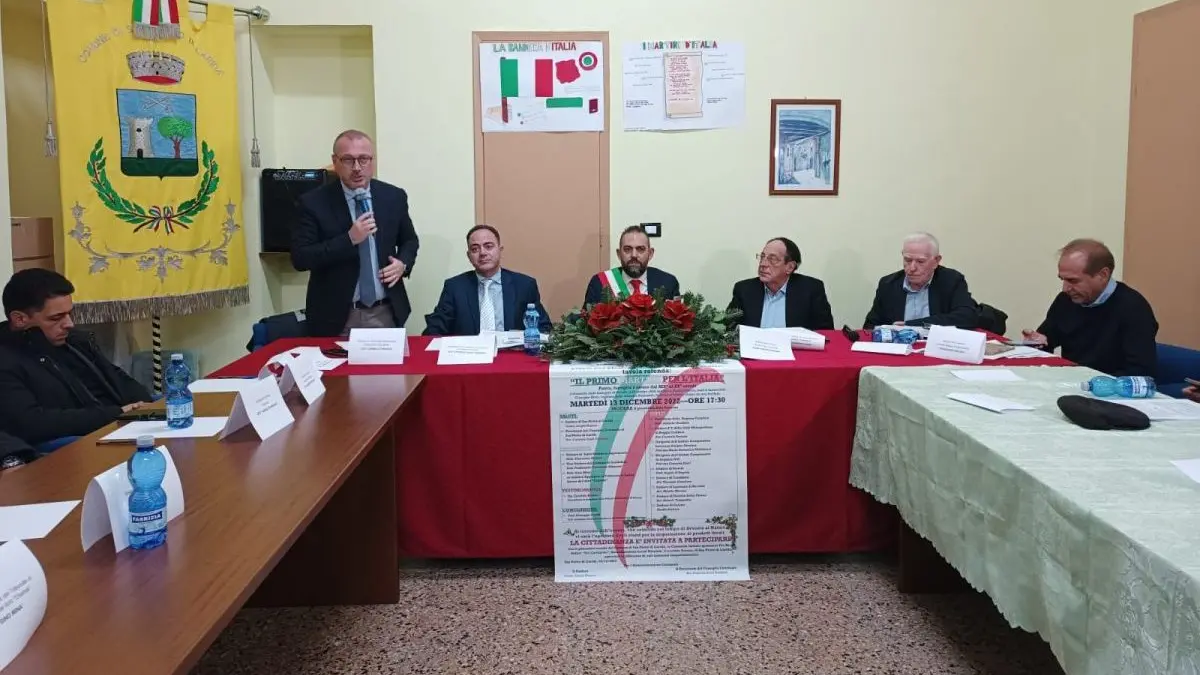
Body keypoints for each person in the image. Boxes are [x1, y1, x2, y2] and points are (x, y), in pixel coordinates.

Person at [0, 269, 152, 447]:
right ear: (20, 319)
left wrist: (145, 405)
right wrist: (117, 414)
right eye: (56, 318)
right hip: (72, 440)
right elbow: (32, 423)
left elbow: (116, 376)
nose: (69, 324)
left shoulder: (74, 341)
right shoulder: (7, 358)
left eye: (69, 314)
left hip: (116, 421)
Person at [291, 129, 420, 337]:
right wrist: (349, 239)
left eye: (364, 159)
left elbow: (409, 241)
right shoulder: (313, 203)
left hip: (385, 311)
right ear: (335, 161)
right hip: (335, 317)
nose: (357, 168)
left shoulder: (393, 196)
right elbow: (301, 258)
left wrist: (402, 264)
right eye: (348, 160)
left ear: (372, 160)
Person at [1022, 238, 1158, 377]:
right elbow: (1047, 341)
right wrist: (1036, 343)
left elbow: (1140, 372)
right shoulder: (1066, 300)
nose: (1065, 288)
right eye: (1063, 279)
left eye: (1073, 280)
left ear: (1103, 275)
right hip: (1070, 380)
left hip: (1107, 386)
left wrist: (1093, 383)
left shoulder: (1133, 308)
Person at [423, 225, 552, 336]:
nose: (482, 253)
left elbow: (544, 328)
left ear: (500, 250)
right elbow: (435, 329)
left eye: (488, 246)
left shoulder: (524, 285)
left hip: (511, 353)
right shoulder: (455, 287)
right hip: (470, 354)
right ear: (469, 256)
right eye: (475, 249)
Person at [863, 233, 977, 330]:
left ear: (936, 261)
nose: (912, 268)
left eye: (920, 261)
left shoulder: (951, 280)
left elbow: (966, 317)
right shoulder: (888, 284)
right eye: (908, 260)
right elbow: (870, 326)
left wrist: (912, 325)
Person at [729, 237, 834, 330]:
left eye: (772, 259)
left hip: (795, 347)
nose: (763, 264)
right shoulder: (744, 290)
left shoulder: (811, 290)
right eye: (762, 257)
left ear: (790, 267)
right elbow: (727, 328)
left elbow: (826, 333)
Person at [583, 225, 679, 306]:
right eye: (627, 249)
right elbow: (586, 320)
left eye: (640, 249)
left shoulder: (668, 283)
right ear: (619, 254)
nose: (634, 255)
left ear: (650, 254)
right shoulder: (599, 283)